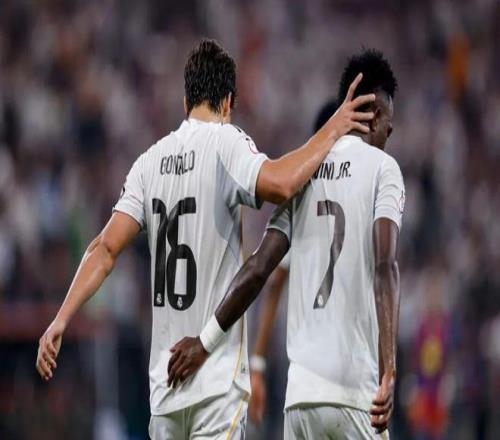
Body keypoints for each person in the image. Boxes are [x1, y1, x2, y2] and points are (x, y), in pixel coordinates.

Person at [35, 39, 375, 439]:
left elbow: (104, 249)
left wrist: (60, 319)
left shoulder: (149, 163)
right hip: (215, 385)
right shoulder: (226, 143)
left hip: (165, 390)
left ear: (185, 101)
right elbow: (282, 183)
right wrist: (334, 128)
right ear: (228, 102)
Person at [167, 49, 405, 439]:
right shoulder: (384, 169)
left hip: (301, 400)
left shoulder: (303, 176)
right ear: (375, 114)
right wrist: (390, 371)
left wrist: (205, 341)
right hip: (355, 393)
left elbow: (260, 268)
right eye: (389, 128)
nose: (387, 138)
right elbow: (385, 267)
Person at [248, 98, 339, 427]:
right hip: (350, 374)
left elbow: (272, 281)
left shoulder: (298, 195)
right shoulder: (367, 192)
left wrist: (256, 364)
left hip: (304, 376)